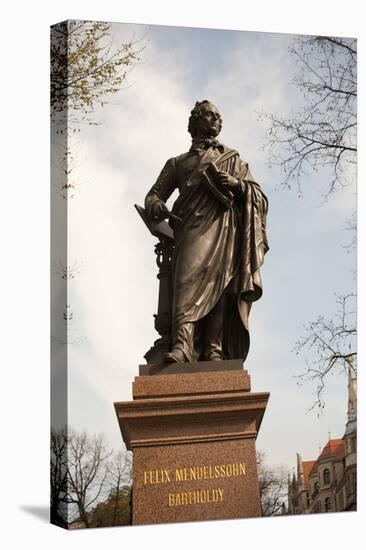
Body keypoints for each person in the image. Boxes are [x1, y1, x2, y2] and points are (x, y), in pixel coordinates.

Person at [145, 100, 269, 363]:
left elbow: (259, 197)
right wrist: (156, 206)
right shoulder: (177, 163)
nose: (214, 119)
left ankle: (214, 350)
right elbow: (154, 196)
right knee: (185, 285)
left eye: (217, 116)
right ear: (195, 122)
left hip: (224, 231)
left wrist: (237, 185)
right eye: (208, 115)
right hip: (190, 231)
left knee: (220, 287)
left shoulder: (233, 160)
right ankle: (182, 346)